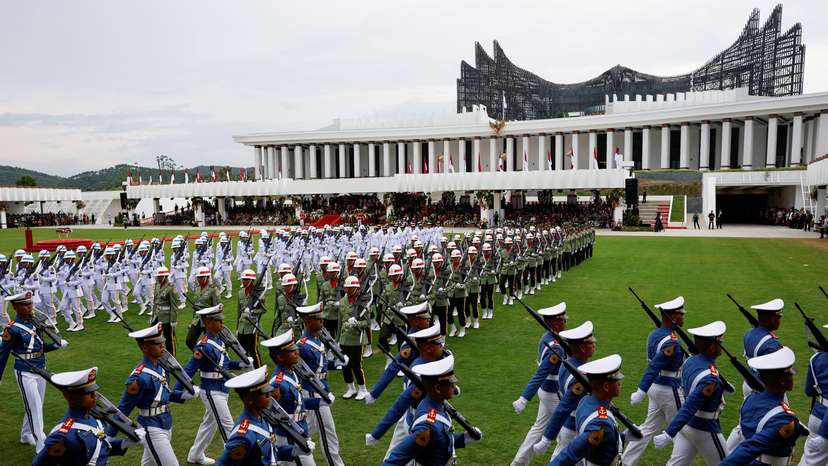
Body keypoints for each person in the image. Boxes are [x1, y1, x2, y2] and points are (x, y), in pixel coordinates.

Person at [113, 323, 199, 465]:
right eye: (157, 343)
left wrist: (184, 395)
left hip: (165, 422)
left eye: (161, 342)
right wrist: (110, 436)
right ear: (145, 347)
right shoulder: (138, 378)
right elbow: (123, 408)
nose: (162, 346)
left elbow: (164, 394)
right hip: (150, 427)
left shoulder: (161, 366)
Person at [180, 304, 252, 465]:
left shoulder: (219, 340)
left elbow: (224, 364)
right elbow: (189, 370)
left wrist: (242, 364)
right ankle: (237, 460)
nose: (221, 324)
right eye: (217, 320)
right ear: (207, 322)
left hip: (222, 388)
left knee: (209, 424)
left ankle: (195, 454)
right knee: (227, 424)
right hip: (211, 390)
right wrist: (179, 391)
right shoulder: (203, 345)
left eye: (221, 320)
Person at [381, 354, 481, 465]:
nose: (454, 386)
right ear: (438, 388)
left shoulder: (437, 405)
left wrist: (464, 439)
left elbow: (440, 440)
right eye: (451, 383)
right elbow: (396, 458)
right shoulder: (427, 425)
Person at [0, 291, 68, 452]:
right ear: (16, 307)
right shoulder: (12, 329)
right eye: (26, 304)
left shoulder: (35, 322)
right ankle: (41, 444)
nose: (30, 307)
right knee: (35, 406)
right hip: (25, 371)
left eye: (30, 303)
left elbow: (40, 347)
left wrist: (55, 346)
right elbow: (3, 353)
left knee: (36, 404)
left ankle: (26, 434)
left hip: (40, 367)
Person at [653, 320, 729, 465]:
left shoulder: (690, 361)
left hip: (687, 426)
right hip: (705, 427)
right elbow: (691, 404)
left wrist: (721, 385)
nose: (722, 345)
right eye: (720, 342)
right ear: (713, 347)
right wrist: (669, 433)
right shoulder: (710, 378)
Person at [622, 296, 686, 465]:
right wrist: (640, 391)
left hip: (655, 388)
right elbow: (655, 366)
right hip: (669, 389)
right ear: (672, 316)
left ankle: (625, 462)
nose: (683, 317)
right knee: (682, 432)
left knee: (648, 428)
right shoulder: (671, 341)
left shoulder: (654, 334)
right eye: (681, 314)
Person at [32, 367, 139, 465]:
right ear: (70, 398)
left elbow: (98, 448)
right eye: (88, 393)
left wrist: (123, 444)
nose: (94, 396)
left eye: (94, 391)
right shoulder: (63, 436)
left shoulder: (95, 419)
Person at [720, 347, 806, 465]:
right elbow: (750, 447)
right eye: (790, 374)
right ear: (782, 380)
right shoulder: (784, 417)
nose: (792, 377)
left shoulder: (750, 400)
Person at [511, 302, 567, 466]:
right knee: (567, 434)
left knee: (537, 430)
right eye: (563, 320)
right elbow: (541, 373)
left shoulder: (548, 338)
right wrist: (524, 399)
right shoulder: (555, 347)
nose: (565, 322)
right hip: (553, 394)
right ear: (556, 323)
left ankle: (518, 463)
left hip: (546, 393)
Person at [533, 321, 596, 458]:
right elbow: (564, 407)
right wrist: (546, 439)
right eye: (591, 342)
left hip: (569, 426)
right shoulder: (579, 375)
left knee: (558, 457)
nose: (594, 344)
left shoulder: (569, 365)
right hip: (574, 427)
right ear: (583, 348)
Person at [217, 365, 304, 465]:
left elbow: (270, 452)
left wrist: (294, 450)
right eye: (264, 394)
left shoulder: (262, 418)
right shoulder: (243, 435)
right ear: (250, 400)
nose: (269, 396)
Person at [549, 354, 626, 466]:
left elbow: (604, 443)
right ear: (606, 387)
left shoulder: (587, 401)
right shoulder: (601, 423)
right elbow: (570, 453)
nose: (619, 383)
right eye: (616, 380)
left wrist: (623, 436)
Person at [296, 303, 346, 466]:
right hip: (313, 393)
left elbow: (320, 365)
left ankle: (287, 449)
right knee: (328, 433)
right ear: (308, 321)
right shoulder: (302, 346)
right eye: (318, 319)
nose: (322, 322)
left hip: (321, 390)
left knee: (307, 430)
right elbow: (301, 372)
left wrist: (336, 364)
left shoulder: (317, 339)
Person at [262, 329, 319, 465]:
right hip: (289, 436)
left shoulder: (291, 373)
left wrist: (319, 402)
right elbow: (270, 413)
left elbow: (298, 404)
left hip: (299, 430)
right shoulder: (277, 383)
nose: (297, 352)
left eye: (296, 349)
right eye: (292, 351)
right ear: (280, 357)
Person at [334, 275, 371, 400]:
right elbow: (340, 321)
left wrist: (357, 323)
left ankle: (362, 388)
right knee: (345, 365)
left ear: (356, 288)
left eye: (350, 288)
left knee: (356, 365)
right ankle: (350, 388)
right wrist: (337, 340)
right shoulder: (343, 301)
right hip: (344, 338)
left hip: (357, 338)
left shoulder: (361, 302)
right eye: (347, 288)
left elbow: (367, 322)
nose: (348, 290)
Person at [186, 266, 221, 351]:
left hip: (209, 320)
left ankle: (211, 359)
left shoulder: (213, 289)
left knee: (210, 343)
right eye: (198, 277)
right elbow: (195, 306)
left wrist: (218, 323)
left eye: (201, 277)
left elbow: (217, 307)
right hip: (197, 320)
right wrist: (192, 321)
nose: (199, 279)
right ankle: (200, 354)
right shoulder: (197, 289)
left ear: (207, 277)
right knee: (189, 340)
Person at [237, 268, 266, 368]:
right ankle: (247, 369)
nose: (243, 281)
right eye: (243, 279)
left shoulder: (258, 293)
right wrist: (237, 327)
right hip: (242, 327)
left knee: (254, 351)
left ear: (251, 280)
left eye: (245, 279)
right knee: (242, 350)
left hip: (252, 327)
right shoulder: (240, 293)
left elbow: (263, 310)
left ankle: (259, 369)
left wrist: (252, 312)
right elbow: (238, 311)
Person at [151, 266, 181, 357]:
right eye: (157, 277)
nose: (158, 278)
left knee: (169, 339)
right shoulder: (157, 285)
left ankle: (172, 358)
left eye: (160, 277)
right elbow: (155, 302)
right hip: (157, 316)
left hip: (167, 318)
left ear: (165, 276)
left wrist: (173, 320)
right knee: (152, 336)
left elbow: (174, 306)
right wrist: (153, 316)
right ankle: (157, 353)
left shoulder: (171, 288)